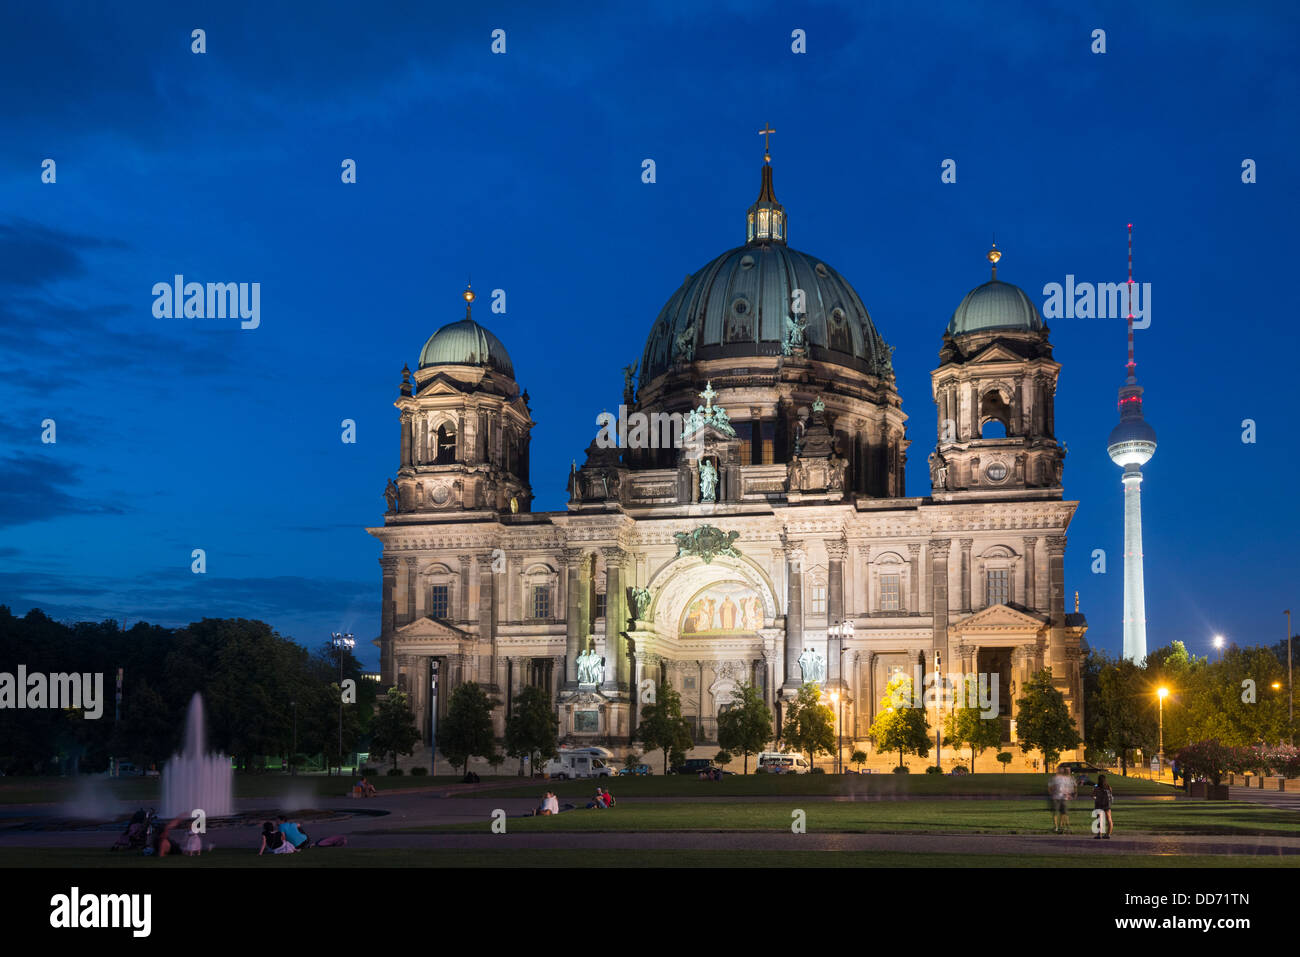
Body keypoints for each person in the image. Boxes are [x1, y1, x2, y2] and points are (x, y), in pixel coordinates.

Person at [1048, 766, 1076, 833]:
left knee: (1063, 813)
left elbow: (1070, 787)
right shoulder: (1054, 778)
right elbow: (1050, 787)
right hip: (1056, 797)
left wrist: (1069, 794)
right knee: (1056, 812)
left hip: (1063, 798)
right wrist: (1052, 793)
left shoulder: (1066, 778)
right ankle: (1056, 826)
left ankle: (1061, 826)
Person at [1093, 773, 1114, 839]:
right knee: (1109, 819)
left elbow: (1093, 795)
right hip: (1107, 805)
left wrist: (1095, 798)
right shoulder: (1108, 787)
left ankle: (1099, 834)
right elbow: (1111, 795)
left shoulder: (1097, 788)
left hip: (1099, 805)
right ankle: (1108, 834)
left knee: (1099, 820)